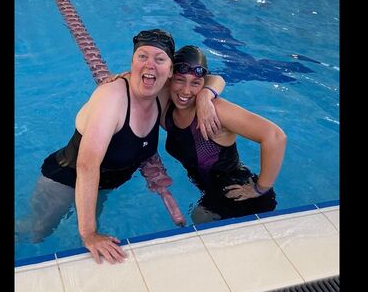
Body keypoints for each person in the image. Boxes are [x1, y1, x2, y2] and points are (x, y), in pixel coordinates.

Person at [16, 30, 226, 264]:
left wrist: (206, 95)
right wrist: (89, 234)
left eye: (159, 59)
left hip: (103, 184)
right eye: (142, 57)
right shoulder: (112, 98)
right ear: (132, 61)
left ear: (170, 71)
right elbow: (87, 165)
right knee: (36, 233)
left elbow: (214, 78)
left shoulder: (164, 93)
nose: (150, 65)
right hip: (67, 178)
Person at [162, 45, 287, 223]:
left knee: (199, 219)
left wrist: (260, 189)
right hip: (211, 192)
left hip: (240, 196)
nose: (186, 91)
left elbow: (275, 136)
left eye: (196, 83)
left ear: (203, 83)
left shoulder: (215, 111)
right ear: (169, 79)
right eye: (180, 80)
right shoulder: (167, 109)